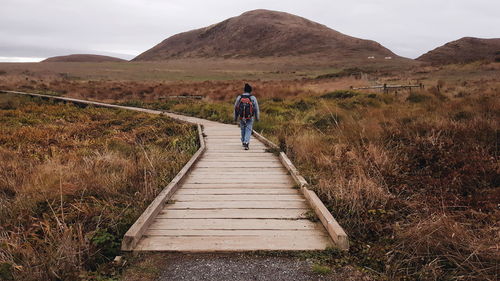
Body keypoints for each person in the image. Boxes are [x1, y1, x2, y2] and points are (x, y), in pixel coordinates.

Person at [234, 83, 259, 150]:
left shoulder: (239, 97)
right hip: (250, 117)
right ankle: (246, 142)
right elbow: (256, 108)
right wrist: (257, 117)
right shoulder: (252, 98)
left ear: (244, 90)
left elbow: (236, 108)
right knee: (248, 129)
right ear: (250, 90)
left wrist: (235, 117)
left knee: (243, 129)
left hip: (241, 116)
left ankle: (243, 141)